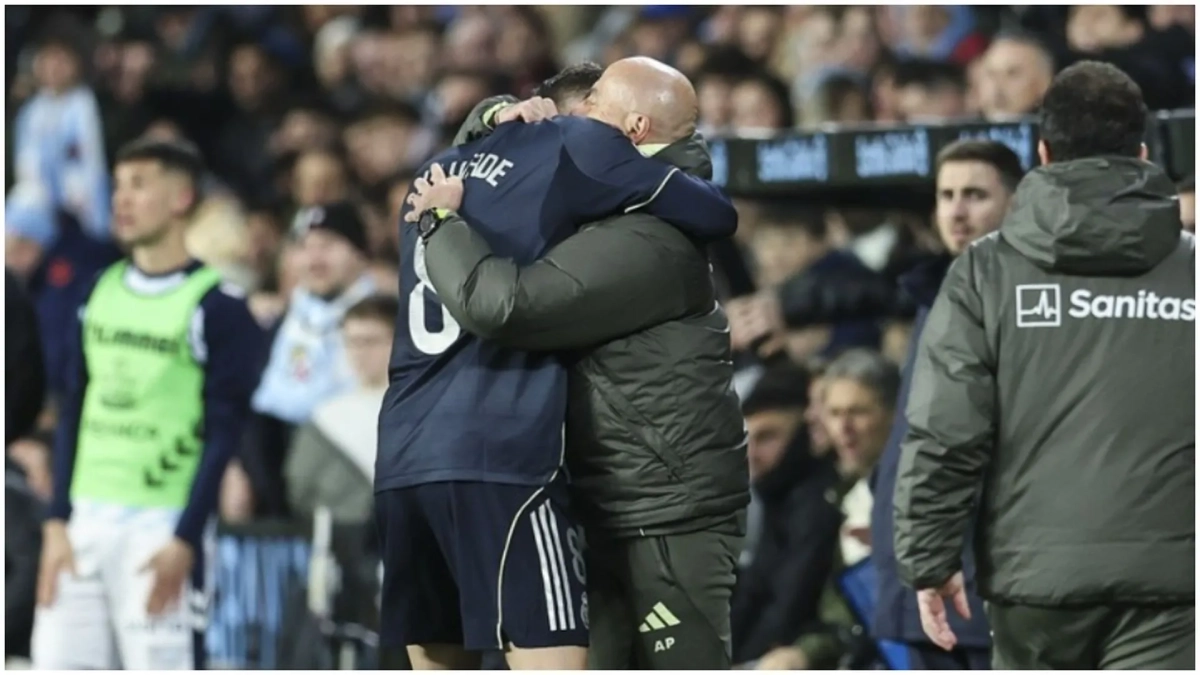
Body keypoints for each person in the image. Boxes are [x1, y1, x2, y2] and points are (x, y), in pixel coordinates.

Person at [377, 58, 738, 670]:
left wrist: (444, 217)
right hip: (572, 485)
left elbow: (505, 305)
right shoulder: (568, 175)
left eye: (590, 109)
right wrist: (495, 112)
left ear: (632, 129)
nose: (563, 126)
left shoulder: (654, 238)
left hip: (660, 512)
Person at [894, 61, 1194, 670]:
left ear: (1043, 153)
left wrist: (930, 557)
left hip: (1035, 584)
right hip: (1175, 581)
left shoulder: (983, 272)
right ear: (1140, 151)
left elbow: (947, 429)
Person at [31, 138, 263, 669]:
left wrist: (185, 537)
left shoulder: (217, 306)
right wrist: (56, 519)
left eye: (138, 185)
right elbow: (72, 410)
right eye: (117, 186)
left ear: (181, 197)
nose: (121, 199)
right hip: (81, 525)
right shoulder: (97, 291)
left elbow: (224, 433)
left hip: (159, 528)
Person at [871, 139, 1025, 670]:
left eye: (975, 195)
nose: (957, 211)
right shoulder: (933, 293)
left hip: (976, 583)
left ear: (1016, 202)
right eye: (946, 195)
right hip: (917, 578)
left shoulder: (1021, 302)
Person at [244, 201, 377, 517]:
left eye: (329, 245)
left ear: (359, 252)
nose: (314, 258)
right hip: (275, 475)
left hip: (350, 473)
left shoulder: (387, 321)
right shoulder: (280, 322)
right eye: (304, 247)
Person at [285, 294, 397, 524]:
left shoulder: (427, 410)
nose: (359, 352)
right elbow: (301, 488)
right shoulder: (326, 416)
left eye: (370, 341)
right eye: (351, 342)